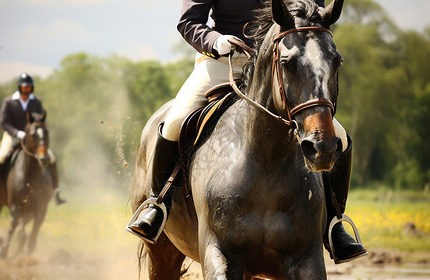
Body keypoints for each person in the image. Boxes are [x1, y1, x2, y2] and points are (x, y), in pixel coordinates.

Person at [128, 0, 367, 263]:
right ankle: (157, 204)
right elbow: (189, 22)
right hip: (226, 61)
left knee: (338, 136)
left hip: (286, 63)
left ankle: (334, 223)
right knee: (175, 120)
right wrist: (216, 41)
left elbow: (314, 12)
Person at [0, 73, 66, 206]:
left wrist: (35, 135)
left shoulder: (36, 102)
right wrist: (17, 133)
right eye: (24, 87)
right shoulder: (8, 101)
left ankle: (56, 190)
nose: (26, 90)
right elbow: (4, 122)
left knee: (51, 157)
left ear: (31, 88)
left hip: (32, 138)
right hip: (12, 136)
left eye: (29, 87)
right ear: (19, 87)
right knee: (2, 155)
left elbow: (40, 120)